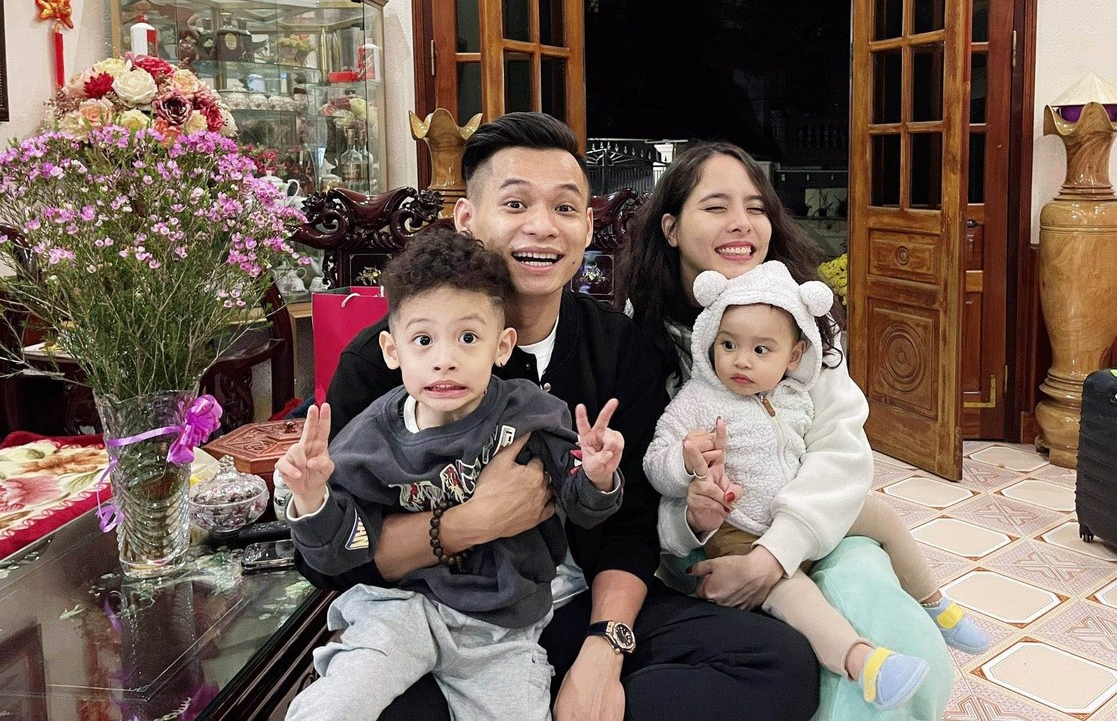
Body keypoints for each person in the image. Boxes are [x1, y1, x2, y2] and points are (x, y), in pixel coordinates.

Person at [301, 113, 819, 721]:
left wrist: (605, 649)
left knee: (777, 664)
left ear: (586, 227)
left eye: (566, 208)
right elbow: (330, 556)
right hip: (435, 614)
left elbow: (631, 523)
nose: (542, 226)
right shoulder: (389, 360)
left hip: (575, 606)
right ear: (467, 218)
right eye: (515, 203)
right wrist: (469, 522)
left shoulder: (619, 348)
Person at [617, 141, 956, 715]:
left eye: (756, 207)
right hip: (706, 548)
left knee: (872, 602)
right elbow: (646, 476)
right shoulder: (637, 335)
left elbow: (840, 451)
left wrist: (774, 554)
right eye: (716, 206)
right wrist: (695, 525)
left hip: (810, 526)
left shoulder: (804, 324)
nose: (742, 223)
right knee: (790, 643)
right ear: (670, 228)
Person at [282, 228, 625, 720]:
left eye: (468, 338)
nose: (445, 360)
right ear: (392, 350)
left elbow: (584, 510)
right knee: (334, 706)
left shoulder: (531, 414)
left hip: (502, 625)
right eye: (423, 340)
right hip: (396, 610)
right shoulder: (367, 439)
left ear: (502, 346)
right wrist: (312, 499)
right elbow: (341, 551)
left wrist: (596, 476)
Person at [644, 261, 988, 711]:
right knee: (793, 594)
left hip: (796, 515)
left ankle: (934, 603)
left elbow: (835, 457)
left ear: (794, 356)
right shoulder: (697, 399)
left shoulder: (795, 396)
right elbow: (655, 461)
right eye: (728, 345)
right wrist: (683, 461)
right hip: (739, 529)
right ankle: (864, 664)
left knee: (882, 515)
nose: (741, 360)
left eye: (761, 350)